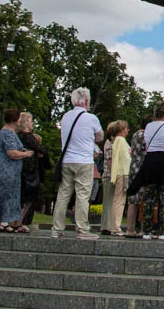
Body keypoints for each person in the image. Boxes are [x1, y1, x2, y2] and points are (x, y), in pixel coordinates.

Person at [51, 87, 104, 240]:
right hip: (84, 161)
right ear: (86, 101)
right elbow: (100, 136)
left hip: (66, 160)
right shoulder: (91, 118)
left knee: (63, 195)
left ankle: (57, 228)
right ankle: (82, 229)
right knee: (82, 195)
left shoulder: (66, 116)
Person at [130, 102, 164, 240]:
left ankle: (147, 230)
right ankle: (163, 230)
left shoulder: (149, 126)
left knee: (149, 196)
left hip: (151, 160)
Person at [0, 109, 34, 232]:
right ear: (14, 120)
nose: (21, 121)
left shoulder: (9, 132)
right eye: (19, 118)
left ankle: (5, 222)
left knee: (8, 197)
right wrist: (26, 154)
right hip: (4, 170)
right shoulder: (8, 133)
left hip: (11, 172)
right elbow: (11, 153)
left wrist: (21, 150)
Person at [16, 111, 46, 227]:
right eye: (31, 121)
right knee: (27, 199)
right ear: (27, 122)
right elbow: (42, 149)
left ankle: (15, 222)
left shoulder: (17, 135)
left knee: (20, 198)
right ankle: (19, 222)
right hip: (29, 171)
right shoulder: (28, 136)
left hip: (20, 169)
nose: (32, 123)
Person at [124, 116, 151, 238]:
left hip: (133, 166)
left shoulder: (135, 134)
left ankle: (130, 229)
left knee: (133, 201)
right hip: (143, 167)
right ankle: (142, 229)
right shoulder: (145, 135)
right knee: (144, 199)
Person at [107, 120, 131, 235]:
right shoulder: (121, 140)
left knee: (117, 200)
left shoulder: (117, 140)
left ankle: (114, 226)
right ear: (122, 130)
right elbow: (124, 158)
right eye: (126, 129)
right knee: (120, 201)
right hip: (122, 172)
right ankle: (116, 227)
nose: (128, 131)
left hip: (119, 172)